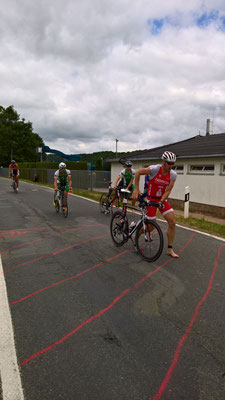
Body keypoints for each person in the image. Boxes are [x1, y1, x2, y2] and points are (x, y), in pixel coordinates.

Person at [132, 151, 179, 258]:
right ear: (163, 162)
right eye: (169, 163)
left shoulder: (173, 174)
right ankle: (136, 236)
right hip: (151, 200)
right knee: (150, 228)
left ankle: (170, 249)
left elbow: (168, 190)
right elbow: (138, 172)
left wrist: (162, 201)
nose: (171, 166)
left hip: (161, 200)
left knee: (172, 222)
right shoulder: (154, 169)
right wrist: (136, 189)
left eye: (173, 163)